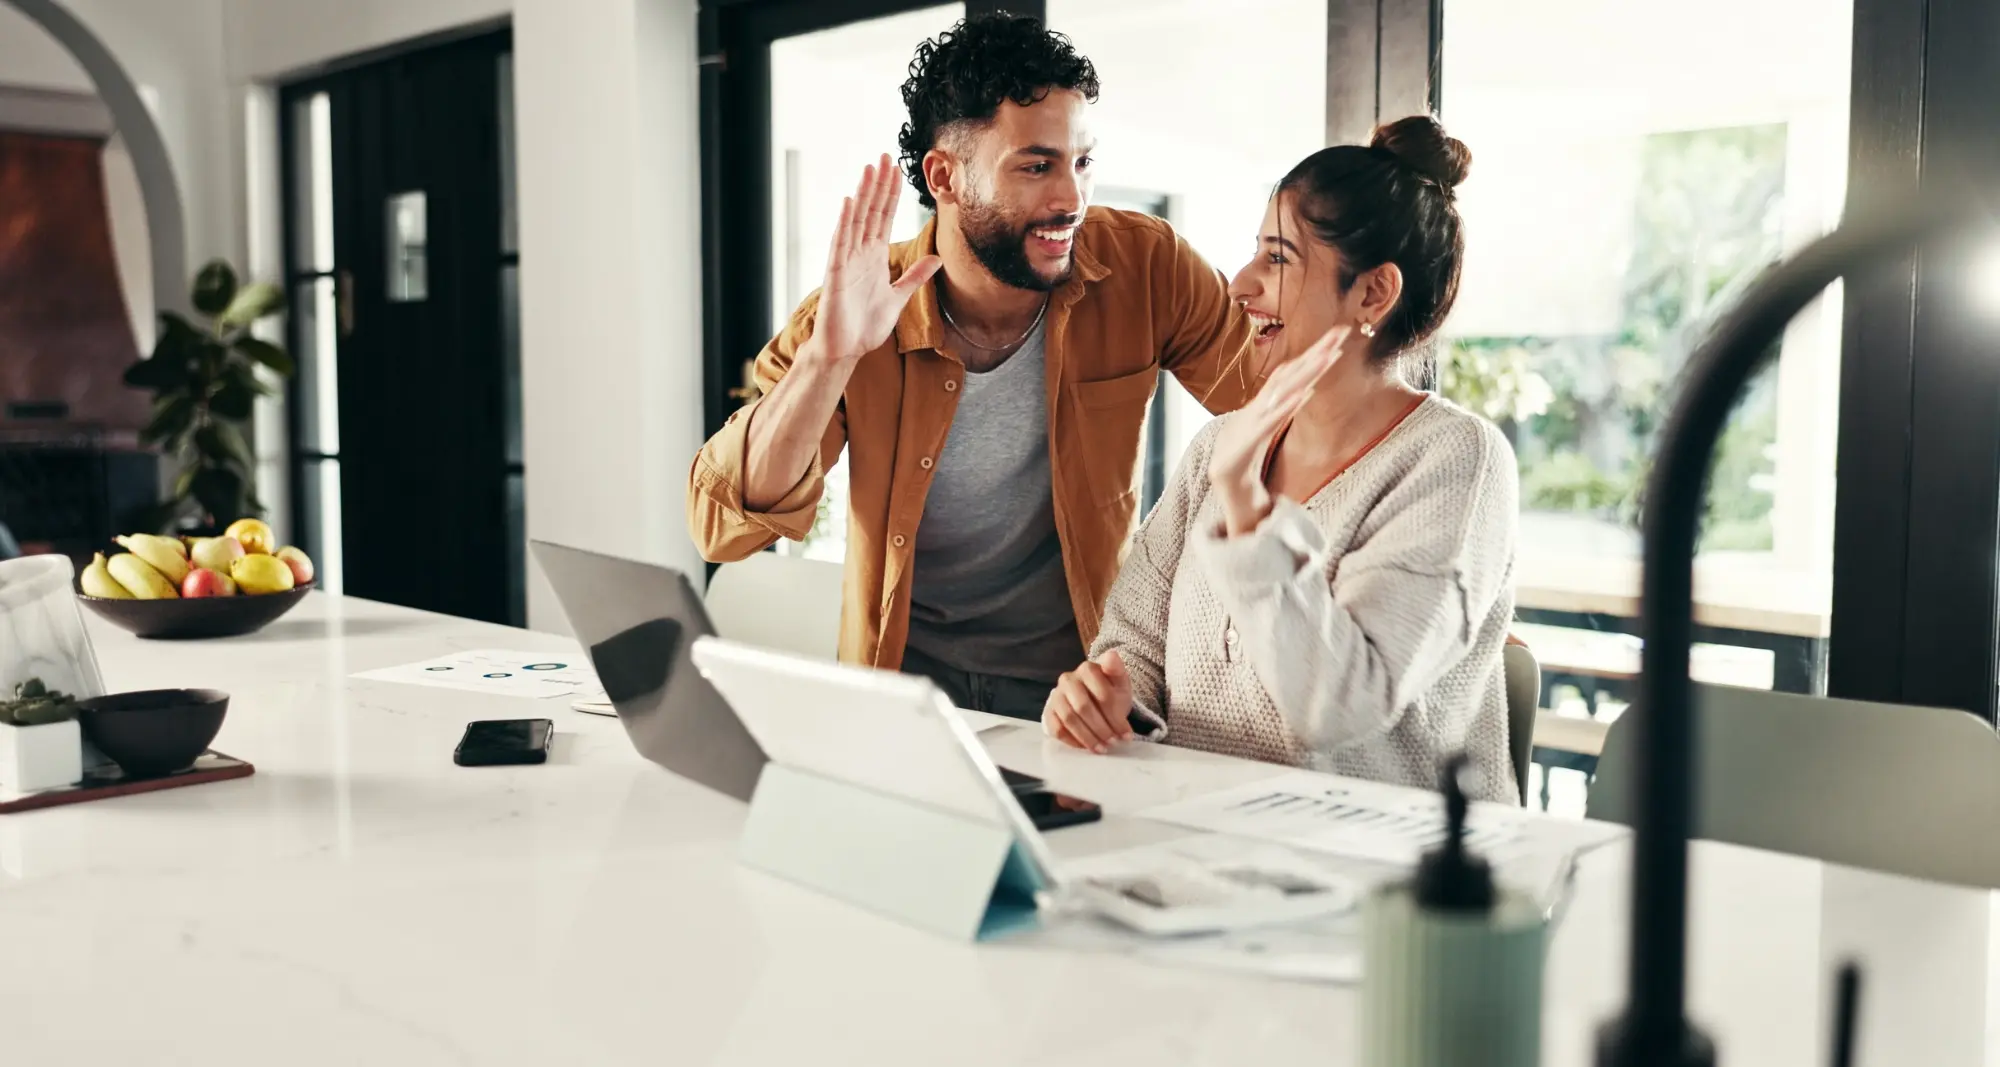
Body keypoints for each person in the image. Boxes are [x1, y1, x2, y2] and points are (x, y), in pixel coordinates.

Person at [687, 14, 1262, 718]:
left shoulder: (1145, 266)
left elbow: (1276, 410)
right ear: (945, 175)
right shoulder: (856, 309)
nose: (1072, 199)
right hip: (907, 695)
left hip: (1082, 694)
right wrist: (828, 360)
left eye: (1082, 161)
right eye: (1036, 165)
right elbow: (722, 523)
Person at [1040, 115, 1522, 804]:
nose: (1240, 285)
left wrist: (1244, 501)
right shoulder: (1221, 444)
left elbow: (1339, 706)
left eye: (1277, 259)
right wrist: (1104, 701)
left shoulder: (1457, 461)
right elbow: (1131, 647)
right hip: (1204, 845)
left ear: (1373, 293)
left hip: (1389, 886)